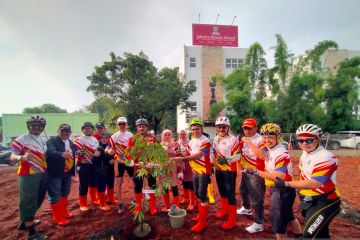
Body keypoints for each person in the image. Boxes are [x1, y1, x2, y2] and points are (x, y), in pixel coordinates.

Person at [275, 124, 341, 239]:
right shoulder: (305, 153)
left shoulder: (326, 157)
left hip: (326, 200)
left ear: (318, 139)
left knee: (308, 235)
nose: (304, 143)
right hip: (308, 199)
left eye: (309, 140)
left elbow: (315, 183)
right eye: (300, 140)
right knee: (320, 233)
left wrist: (287, 183)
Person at [243, 123, 302, 239]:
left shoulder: (281, 153)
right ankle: (300, 235)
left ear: (278, 137)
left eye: (270, 137)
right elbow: (260, 155)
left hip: (283, 188)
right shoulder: (270, 148)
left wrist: (256, 171)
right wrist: (248, 142)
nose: (267, 140)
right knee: (288, 214)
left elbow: (278, 176)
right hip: (279, 188)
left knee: (277, 219)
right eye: (264, 137)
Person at [10, 115, 48, 240]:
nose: (36, 127)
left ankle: (24, 221)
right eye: (33, 125)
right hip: (28, 174)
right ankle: (32, 234)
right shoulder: (22, 139)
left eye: (39, 126)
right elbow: (12, 156)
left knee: (39, 197)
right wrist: (21, 157)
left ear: (42, 127)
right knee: (28, 201)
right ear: (29, 126)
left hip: (41, 173)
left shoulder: (42, 140)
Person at [172, 117, 211, 233]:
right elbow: (188, 153)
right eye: (193, 129)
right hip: (195, 171)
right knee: (198, 194)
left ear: (201, 129)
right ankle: (201, 215)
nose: (195, 131)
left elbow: (198, 155)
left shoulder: (206, 141)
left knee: (202, 195)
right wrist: (180, 153)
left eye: (197, 129)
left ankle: (203, 222)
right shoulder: (192, 141)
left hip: (204, 171)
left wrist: (182, 158)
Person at [212, 117, 242, 230]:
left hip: (230, 171)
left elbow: (239, 155)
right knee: (222, 191)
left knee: (230, 194)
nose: (221, 129)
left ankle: (232, 220)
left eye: (223, 127)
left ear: (228, 127)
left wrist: (227, 160)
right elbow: (213, 154)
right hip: (218, 170)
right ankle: (224, 211)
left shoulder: (233, 139)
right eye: (219, 127)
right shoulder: (215, 139)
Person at [237, 118, 266, 233]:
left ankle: (259, 223)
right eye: (245, 128)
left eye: (249, 128)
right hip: (246, 170)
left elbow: (261, 155)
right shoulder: (244, 139)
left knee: (256, 198)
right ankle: (246, 208)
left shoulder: (261, 140)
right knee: (242, 190)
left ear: (256, 128)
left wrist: (248, 142)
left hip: (257, 172)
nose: (247, 130)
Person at [46, 124, 76, 226]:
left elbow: (73, 156)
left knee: (65, 192)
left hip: (67, 173)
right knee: (55, 195)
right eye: (62, 131)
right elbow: (50, 152)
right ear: (58, 131)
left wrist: (72, 171)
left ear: (70, 133)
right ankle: (57, 217)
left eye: (67, 131)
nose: (65, 133)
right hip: (55, 173)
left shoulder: (71, 142)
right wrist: (62, 154)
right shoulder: (52, 141)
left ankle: (63, 212)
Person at [127, 118, 158, 215]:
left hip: (150, 166)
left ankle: (153, 206)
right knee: (138, 187)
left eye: (143, 126)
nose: (141, 128)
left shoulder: (151, 138)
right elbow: (128, 152)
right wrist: (130, 160)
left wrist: (154, 161)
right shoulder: (132, 139)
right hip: (138, 167)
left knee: (152, 186)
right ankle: (139, 206)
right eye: (140, 127)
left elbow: (156, 151)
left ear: (146, 127)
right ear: (137, 128)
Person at [107, 117, 133, 214]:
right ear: (117, 125)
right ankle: (120, 203)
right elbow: (109, 149)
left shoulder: (131, 135)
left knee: (134, 181)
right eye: (120, 124)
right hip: (119, 161)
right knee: (118, 183)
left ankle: (136, 201)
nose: (122, 125)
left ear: (126, 124)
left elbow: (134, 147)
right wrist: (110, 151)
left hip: (129, 161)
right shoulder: (114, 137)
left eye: (123, 124)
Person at [74, 121, 101, 211]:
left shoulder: (94, 139)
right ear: (83, 130)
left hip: (93, 165)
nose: (87, 129)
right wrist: (78, 152)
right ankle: (83, 204)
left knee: (94, 183)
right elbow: (75, 151)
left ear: (92, 129)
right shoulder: (79, 139)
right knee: (83, 184)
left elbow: (97, 151)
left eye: (89, 128)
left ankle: (94, 200)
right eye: (85, 128)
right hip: (83, 165)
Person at [160, 129, 181, 212]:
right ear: (163, 136)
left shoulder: (175, 144)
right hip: (163, 168)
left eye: (169, 134)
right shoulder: (160, 145)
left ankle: (176, 206)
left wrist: (180, 171)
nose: (167, 136)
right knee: (165, 187)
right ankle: (167, 206)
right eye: (165, 134)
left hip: (173, 168)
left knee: (174, 186)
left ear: (171, 135)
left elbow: (180, 157)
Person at [93, 133, 114, 211]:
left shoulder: (111, 146)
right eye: (102, 138)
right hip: (100, 170)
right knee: (102, 186)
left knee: (111, 183)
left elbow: (113, 156)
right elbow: (94, 160)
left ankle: (110, 199)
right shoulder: (97, 147)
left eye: (106, 138)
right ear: (100, 139)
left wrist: (113, 160)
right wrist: (96, 156)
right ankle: (102, 204)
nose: (104, 139)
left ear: (108, 139)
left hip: (110, 169)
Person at [176, 130, 196, 212]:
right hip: (181, 166)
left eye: (184, 134)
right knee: (184, 183)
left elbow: (191, 154)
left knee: (191, 184)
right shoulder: (176, 143)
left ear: (186, 135)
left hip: (189, 165)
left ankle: (192, 202)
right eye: (181, 134)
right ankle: (185, 198)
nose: (182, 135)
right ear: (178, 135)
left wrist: (181, 154)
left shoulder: (190, 142)